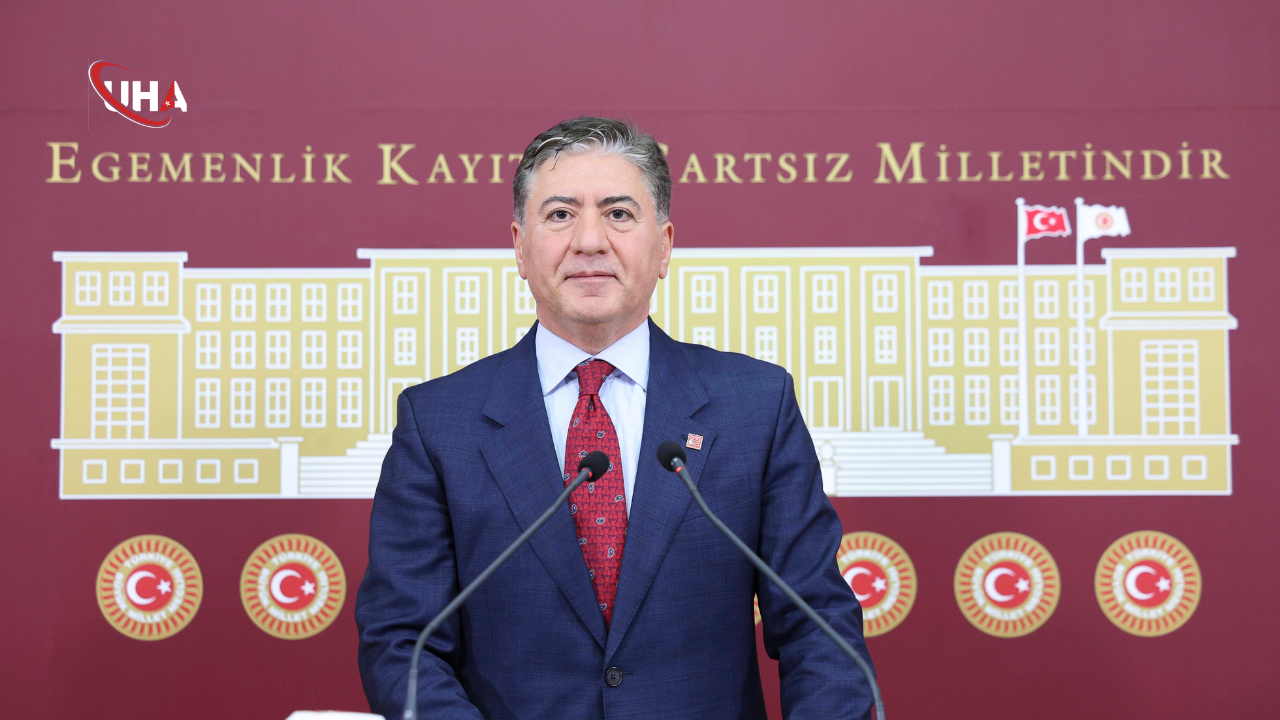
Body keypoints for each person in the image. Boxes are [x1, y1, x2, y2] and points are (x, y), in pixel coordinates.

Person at [355, 117, 875, 719]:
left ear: (665, 246)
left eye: (619, 214)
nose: (589, 241)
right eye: (560, 214)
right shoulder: (438, 423)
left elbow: (819, 626)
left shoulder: (754, 406)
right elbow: (402, 643)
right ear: (520, 247)